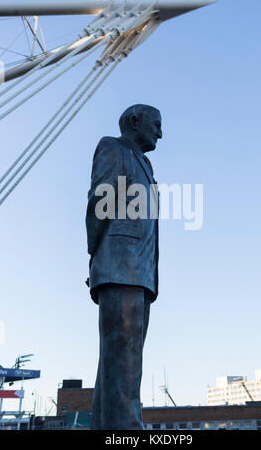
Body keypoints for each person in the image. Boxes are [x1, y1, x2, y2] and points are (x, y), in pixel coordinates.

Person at [85, 104, 162, 430]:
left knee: (117, 367)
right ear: (134, 122)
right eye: (156, 124)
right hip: (120, 268)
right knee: (124, 367)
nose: (160, 131)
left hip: (141, 275)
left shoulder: (146, 166)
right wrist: (98, 256)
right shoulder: (113, 147)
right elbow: (98, 204)